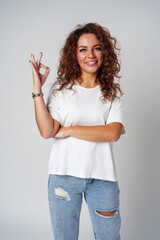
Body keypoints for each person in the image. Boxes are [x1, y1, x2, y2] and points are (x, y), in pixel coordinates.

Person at [29, 22, 125, 240]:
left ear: (104, 52)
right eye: (83, 49)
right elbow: (47, 131)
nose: (90, 54)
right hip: (64, 176)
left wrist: (69, 130)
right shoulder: (62, 89)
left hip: (103, 178)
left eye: (96, 48)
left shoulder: (112, 92)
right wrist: (37, 90)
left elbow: (112, 133)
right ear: (75, 54)